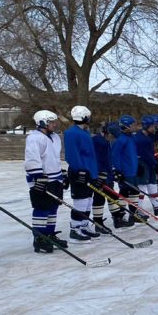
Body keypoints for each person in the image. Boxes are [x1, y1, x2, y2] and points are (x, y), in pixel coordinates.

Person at [24, 109, 66, 253]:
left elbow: (53, 158)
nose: (55, 124)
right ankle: (39, 238)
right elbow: (31, 159)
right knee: (42, 208)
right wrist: (37, 176)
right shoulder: (34, 138)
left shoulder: (55, 137)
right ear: (42, 122)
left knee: (53, 207)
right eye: (52, 122)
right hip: (41, 179)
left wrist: (62, 174)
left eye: (55, 121)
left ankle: (49, 234)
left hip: (55, 178)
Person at [63, 105, 100, 240]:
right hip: (80, 172)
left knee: (88, 200)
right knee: (81, 201)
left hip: (89, 171)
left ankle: (84, 225)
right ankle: (75, 228)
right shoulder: (72, 133)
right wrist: (80, 170)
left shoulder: (84, 132)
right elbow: (72, 155)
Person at [135, 116, 158, 215]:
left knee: (152, 184)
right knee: (142, 187)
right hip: (142, 165)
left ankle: (157, 207)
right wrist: (157, 164)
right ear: (146, 126)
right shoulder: (140, 139)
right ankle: (139, 210)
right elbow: (145, 155)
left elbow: (153, 151)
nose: (154, 128)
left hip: (150, 164)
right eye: (152, 126)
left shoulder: (150, 136)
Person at [112, 114, 142, 227]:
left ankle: (133, 214)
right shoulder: (121, 140)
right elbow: (115, 156)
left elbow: (134, 153)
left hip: (133, 170)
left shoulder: (131, 138)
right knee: (125, 193)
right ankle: (120, 215)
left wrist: (138, 165)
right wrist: (118, 170)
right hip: (125, 171)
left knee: (135, 192)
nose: (135, 127)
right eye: (133, 125)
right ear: (126, 126)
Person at [92, 121, 123, 228]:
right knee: (99, 198)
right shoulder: (98, 142)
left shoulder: (106, 141)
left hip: (107, 175)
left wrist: (113, 171)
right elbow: (96, 160)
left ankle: (117, 218)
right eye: (113, 136)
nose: (113, 139)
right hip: (100, 176)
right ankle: (98, 222)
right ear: (108, 133)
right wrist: (100, 174)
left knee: (112, 196)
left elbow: (108, 159)